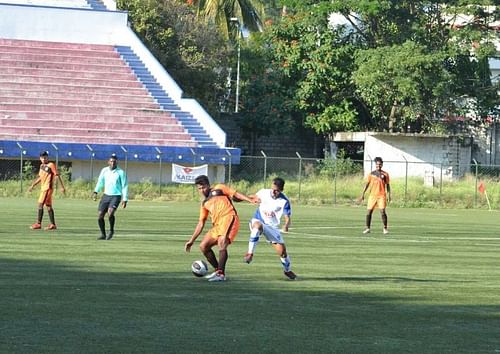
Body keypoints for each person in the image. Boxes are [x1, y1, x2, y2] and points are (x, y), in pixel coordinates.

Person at [184, 175, 256, 282]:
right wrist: (191, 240)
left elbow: (235, 194)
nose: (202, 190)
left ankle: (221, 274)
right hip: (217, 225)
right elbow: (201, 223)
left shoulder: (219, 188)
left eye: (203, 187)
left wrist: (249, 199)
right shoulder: (204, 203)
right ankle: (218, 270)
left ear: (208, 185)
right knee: (204, 246)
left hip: (229, 217)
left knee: (222, 242)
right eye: (199, 188)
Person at [244, 177, 297, 280]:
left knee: (282, 252)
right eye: (272, 188)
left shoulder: (284, 201)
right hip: (258, 220)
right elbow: (251, 197)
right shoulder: (263, 192)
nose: (273, 191)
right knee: (258, 226)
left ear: (281, 190)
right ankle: (250, 253)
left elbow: (287, 217)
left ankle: (287, 270)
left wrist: (286, 225)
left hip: (272, 227)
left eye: (276, 190)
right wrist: (239, 197)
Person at [92, 154, 128, 240]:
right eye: (111, 161)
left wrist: (125, 199)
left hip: (116, 195)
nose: (112, 163)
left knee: (110, 212)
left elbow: (124, 186)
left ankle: (111, 231)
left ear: (117, 162)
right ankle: (103, 234)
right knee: (100, 215)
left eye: (114, 161)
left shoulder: (121, 172)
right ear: (108, 162)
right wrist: (95, 191)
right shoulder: (104, 171)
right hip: (106, 195)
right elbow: (100, 182)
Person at [28, 151, 66, 230]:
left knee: (40, 204)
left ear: (47, 157)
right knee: (48, 206)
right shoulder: (42, 166)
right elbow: (40, 178)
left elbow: (57, 175)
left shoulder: (51, 165)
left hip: (48, 188)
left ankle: (38, 224)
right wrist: (33, 185)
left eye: (45, 157)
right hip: (43, 188)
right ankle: (53, 225)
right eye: (42, 158)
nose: (44, 159)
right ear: (40, 158)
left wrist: (62, 187)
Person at [359, 156, 391, 234]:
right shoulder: (371, 174)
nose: (378, 166)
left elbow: (388, 185)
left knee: (382, 211)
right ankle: (367, 228)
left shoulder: (385, 174)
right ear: (375, 165)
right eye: (377, 164)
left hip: (381, 195)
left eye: (380, 164)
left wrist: (389, 195)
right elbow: (367, 184)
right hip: (372, 196)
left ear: (382, 165)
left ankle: (385, 228)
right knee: (369, 212)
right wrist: (362, 194)